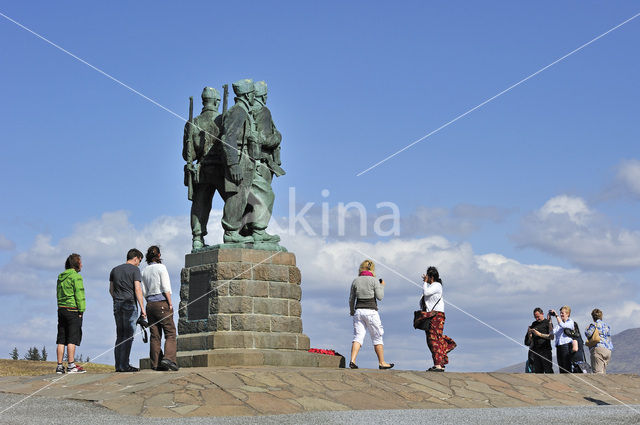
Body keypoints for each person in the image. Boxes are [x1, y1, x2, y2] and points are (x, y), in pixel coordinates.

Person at [183, 87, 227, 251]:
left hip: (201, 169)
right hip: (221, 169)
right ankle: (233, 232)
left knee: (200, 204)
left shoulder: (194, 123)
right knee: (232, 201)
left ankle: (197, 238)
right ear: (216, 101)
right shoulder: (223, 120)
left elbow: (188, 155)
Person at [241, 80, 285, 243]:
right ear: (264, 96)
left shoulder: (247, 111)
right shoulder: (263, 111)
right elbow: (264, 139)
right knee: (264, 196)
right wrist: (278, 136)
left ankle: (247, 231)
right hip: (261, 163)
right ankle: (258, 231)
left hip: (250, 163)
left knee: (249, 200)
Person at [219, 78, 258, 243]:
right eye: (252, 94)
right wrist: (233, 164)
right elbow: (228, 137)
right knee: (236, 196)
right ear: (248, 95)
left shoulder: (243, 112)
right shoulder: (238, 111)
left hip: (245, 160)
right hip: (239, 159)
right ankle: (230, 231)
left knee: (245, 198)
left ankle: (240, 230)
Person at [348, 260, 393, 369]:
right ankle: (382, 362)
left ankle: (352, 360)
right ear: (372, 269)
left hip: (358, 311)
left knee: (358, 337)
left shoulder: (355, 281)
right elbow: (380, 297)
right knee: (377, 337)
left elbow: (351, 299)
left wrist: (352, 311)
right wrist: (382, 286)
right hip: (371, 311)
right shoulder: (374, 281)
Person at [141, 245, 179, 371]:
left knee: (155, 335)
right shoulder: (161, 268)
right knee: (170, 333)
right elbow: (166, 287)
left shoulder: (144, 270)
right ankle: (168, 358)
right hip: (162, 302)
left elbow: (144, 291)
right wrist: (170, 303)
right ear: (159, 255)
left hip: (150, 304)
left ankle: (156, 363)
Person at [109, 248, 146, 372]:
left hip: (117, 304)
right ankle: (125, 365)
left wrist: (117, 299)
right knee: (128, 335)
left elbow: (111, 290)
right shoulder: (135, 270)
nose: (139, 264)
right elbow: (137, 289)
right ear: (135, 258)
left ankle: (118, 365)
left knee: (119, 336)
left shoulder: (114, 270)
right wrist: (142, 308)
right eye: (139, 261)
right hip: (130, 304)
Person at [55, 253, 86, 374]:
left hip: (61, 309)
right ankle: (71, 365)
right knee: (72, 338)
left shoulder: (60, 277)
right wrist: (81, 310)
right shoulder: (76, 277)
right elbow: (79, 294)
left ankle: (59, 366)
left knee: (61, 338)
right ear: (76, 263)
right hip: (72, 309)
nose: (82, 264)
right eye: (80, 262)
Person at [422, 266, 456, 372]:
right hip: (432, 315)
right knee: (432, 339)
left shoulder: (436, 285)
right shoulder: (433, 286)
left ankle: (439, 363)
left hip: (436, 315)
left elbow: (426, 293)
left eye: (427, 276)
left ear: (431, 276)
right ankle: (439, 363)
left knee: (434, 339)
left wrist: (424, 283)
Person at [524, 307, 554, 373]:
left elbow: (552, 337)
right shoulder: (533, 324)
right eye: (535, 317)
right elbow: (527, 342)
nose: (537, 319)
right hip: (535, 352)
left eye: (538, 316)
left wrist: (539, 334)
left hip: (546, 350)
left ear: (542, 314)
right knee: (538, 372)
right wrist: (529, 335)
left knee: (548, 370)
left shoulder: (547, 323)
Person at [585, 308, 613, 374]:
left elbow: (588, 334)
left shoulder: (594, 325)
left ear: (593, 317)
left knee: (597, 373)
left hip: (598, 348)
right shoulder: (607, 326)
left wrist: (586, 329)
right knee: (603, 372)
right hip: (608, 350)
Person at [550, 306, 575, 373]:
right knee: (561, 367)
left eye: (562, 313)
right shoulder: (558, 325)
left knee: (566, 366)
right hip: (559, 346)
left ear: (567, 314)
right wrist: (549, 320)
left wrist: (556, 315)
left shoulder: (570, 322)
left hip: (566, 346)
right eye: (560, 313)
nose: (561, 315)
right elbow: (551, 332)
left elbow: (563, 325)